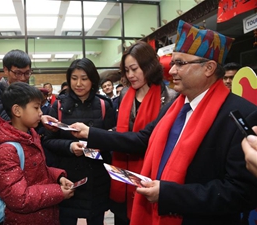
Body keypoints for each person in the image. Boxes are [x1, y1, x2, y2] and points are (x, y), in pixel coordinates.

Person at [70, 20, 257, 225]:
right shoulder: (175, 106)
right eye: (173, 62)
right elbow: (143, 139)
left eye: (180, 63)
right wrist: (90, 133)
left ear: (209, 68)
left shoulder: (241, 114)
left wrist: (169, 193)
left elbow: (240, 193)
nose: (172, 71)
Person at [0, 82, 74, 225]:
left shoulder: (31, 136)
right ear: (17, 111)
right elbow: (19, 198)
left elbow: (36, 171)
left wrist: (58, 177)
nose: (41, 113)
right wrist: (58, 192)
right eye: (36, 108)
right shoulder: (6, 150)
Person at [107, 40, 177, 225]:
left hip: (152, 172)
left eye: (134, 69)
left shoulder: (169, 97)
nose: (130, 75)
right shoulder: (124, 94)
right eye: (126, 70)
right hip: (123, 171)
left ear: (148, 66)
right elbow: (126, 128)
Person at [42, 58, 115, 225]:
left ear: (93, 80)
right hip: (67, 177)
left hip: (97, 176)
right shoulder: (58, 106)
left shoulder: (104, 106)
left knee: (96, 219)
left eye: (84, 78)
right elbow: (48, 141)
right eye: (74, 78)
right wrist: (69, 146)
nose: (78, 83)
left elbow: (112, 140)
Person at [0, 49, 32, 121]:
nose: (23, 78)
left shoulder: (30, 92)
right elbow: (3, 119)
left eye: (27, 73)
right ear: (6, 70)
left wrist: (41, 118)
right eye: (18, 73)